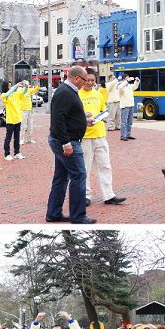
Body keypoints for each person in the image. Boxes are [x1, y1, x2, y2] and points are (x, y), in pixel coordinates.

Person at [46, 66, 96, 224]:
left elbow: (66, 116)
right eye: (84, 79)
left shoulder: (67, 91)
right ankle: (78, 215)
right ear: (76, 78)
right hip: (67, 141)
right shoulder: (65, 92)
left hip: (64, 139)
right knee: (79, 175)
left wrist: (83, 121)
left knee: (61, 177)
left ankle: (54, 213)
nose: (86, 83)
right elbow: (58, 119)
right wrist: (66, 142)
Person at [79, 72, 126, 207]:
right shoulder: (77, 95)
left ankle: (108, 195)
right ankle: (85, 195)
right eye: (87, 80)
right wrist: (84, 117)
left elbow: (103, 111)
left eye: (92, 80)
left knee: (105, 165)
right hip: (85, 136)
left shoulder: (98, 94)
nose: (90, 82)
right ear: (83, 80)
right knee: (85, 168)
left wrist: (101, 116)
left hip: (99, 134)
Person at [0, 80, 27, 161]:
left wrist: (25, 86)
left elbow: (23, 93)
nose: (10, 87)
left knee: (17, 137)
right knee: (8, 137)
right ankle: (7, 154)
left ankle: (17, 153)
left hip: (18, 119)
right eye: (9, 85)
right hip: (10, 120)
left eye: (11, 85)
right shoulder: (4, 95)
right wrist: (16, 86)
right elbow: (8, 93)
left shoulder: (16, 94)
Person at [118, 74, 140, 141]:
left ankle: (128, 134)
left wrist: (137, 81)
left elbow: (135, 86)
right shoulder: (121, 86)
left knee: (130, 121)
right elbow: (120, 87)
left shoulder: (129, 86)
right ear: (124, 79)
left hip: (131, 105)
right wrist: (127, 81)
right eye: (127, 78)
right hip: (125, 106)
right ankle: (123, 135)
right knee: (124, 122)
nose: (129, 80)